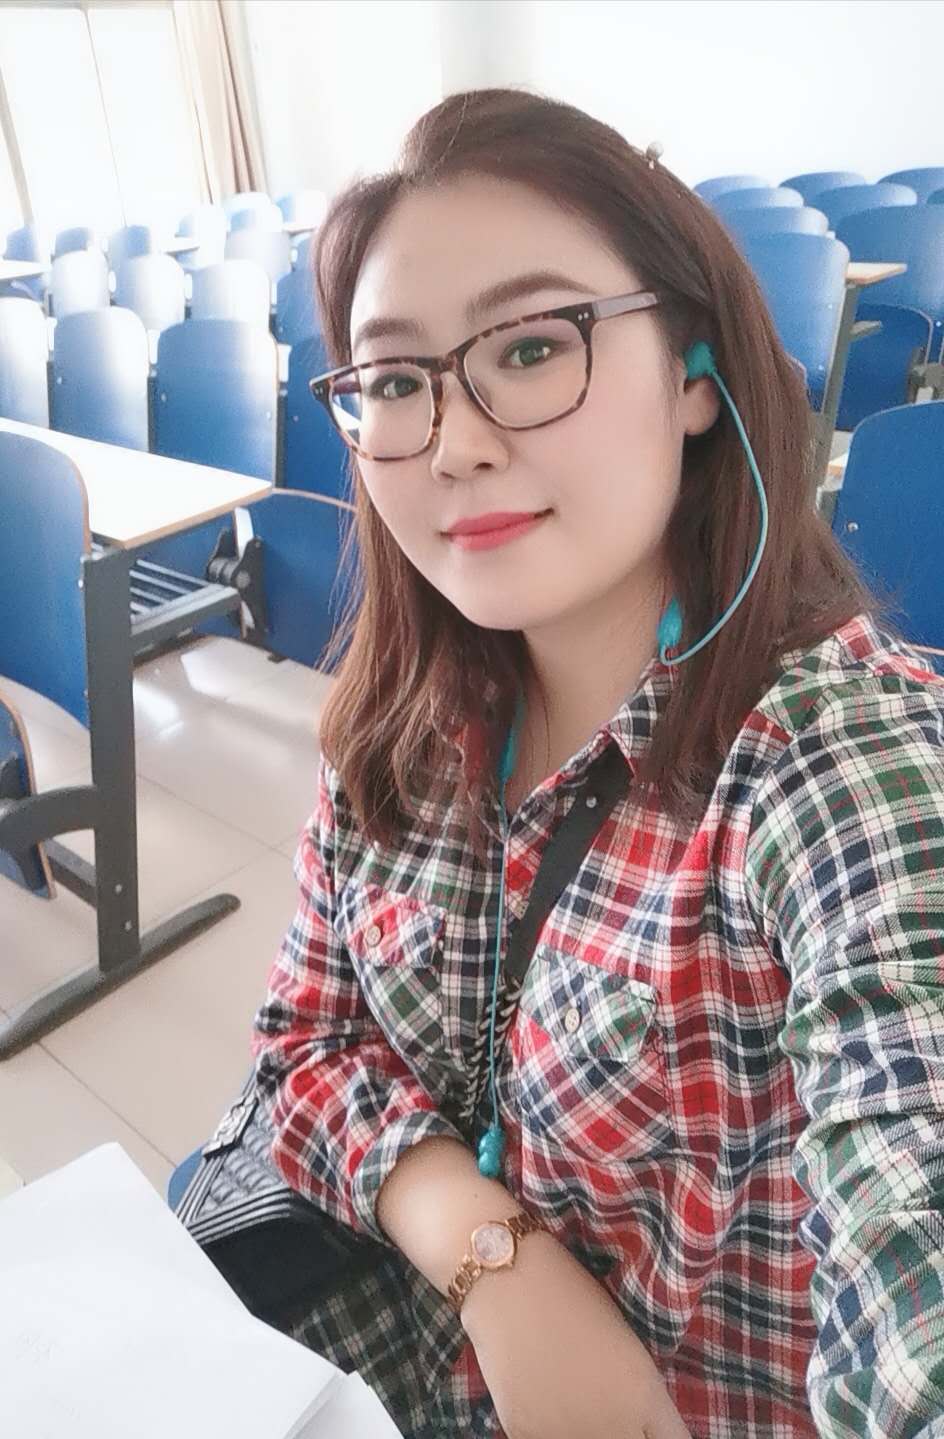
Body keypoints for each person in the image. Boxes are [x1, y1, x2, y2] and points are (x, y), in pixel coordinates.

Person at [250, 87, 944, 1439]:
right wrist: (486, 1249)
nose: (455, 442)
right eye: (394, 381)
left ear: (693, 373)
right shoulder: (401, 719)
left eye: (529, 348)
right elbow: (305, 1046)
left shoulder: (841, 769)